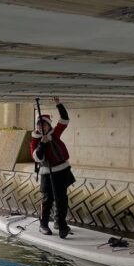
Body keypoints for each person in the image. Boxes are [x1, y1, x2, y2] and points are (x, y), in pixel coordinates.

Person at [30, 97, 76, 238]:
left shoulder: (55, 134)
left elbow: (65, 119)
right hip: (47, 174)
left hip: (62, 171)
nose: (41, 127)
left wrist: (58, 104)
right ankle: (43, 225)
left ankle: (60, 223)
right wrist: (42, 144)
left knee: (61, 198)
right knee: (47, 199)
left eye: (43, 125)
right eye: (39, 125)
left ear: (49, 126)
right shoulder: (35, 140)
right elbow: (36, 157)